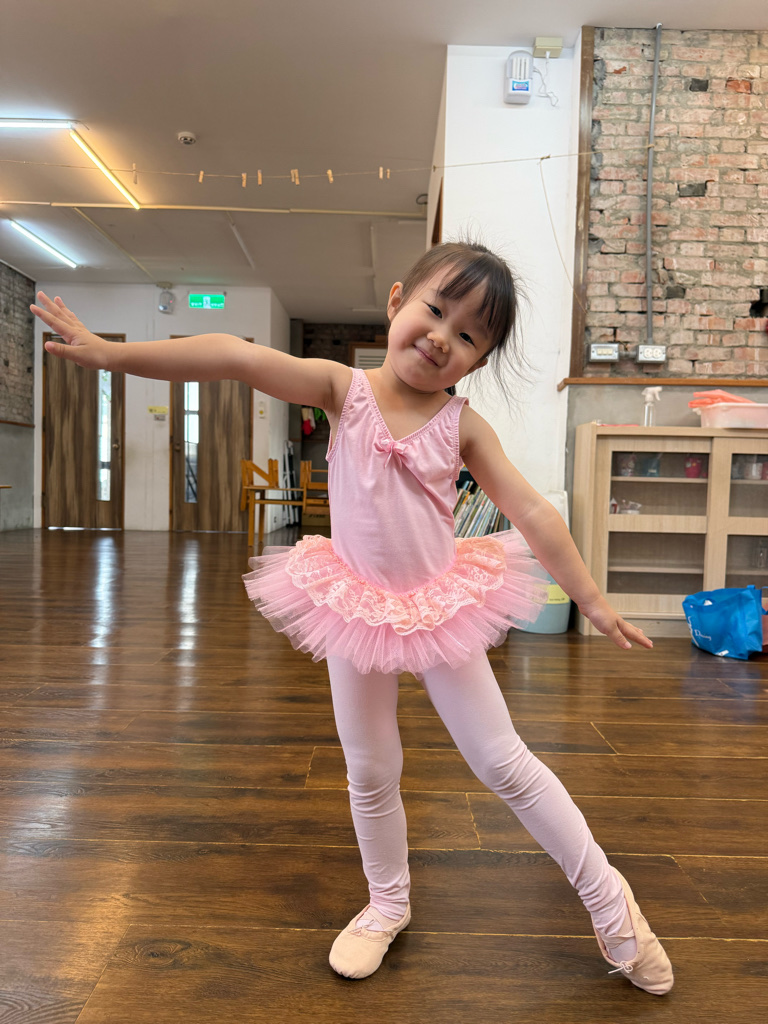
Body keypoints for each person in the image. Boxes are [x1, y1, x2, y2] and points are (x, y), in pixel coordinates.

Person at [31, 241, 673, 996]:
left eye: (468, 335)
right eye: (436, 310)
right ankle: (386, 904)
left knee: (504, 762)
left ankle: (612, 904)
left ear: (479, 359)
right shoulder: (342, 389)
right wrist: (113, 355)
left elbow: (530, 509)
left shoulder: (463, 426)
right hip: (356, 605)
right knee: (370, 770)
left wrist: (591, 599)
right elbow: (235, 356)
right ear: (398, 300)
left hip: (437, 607)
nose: (442, 337)